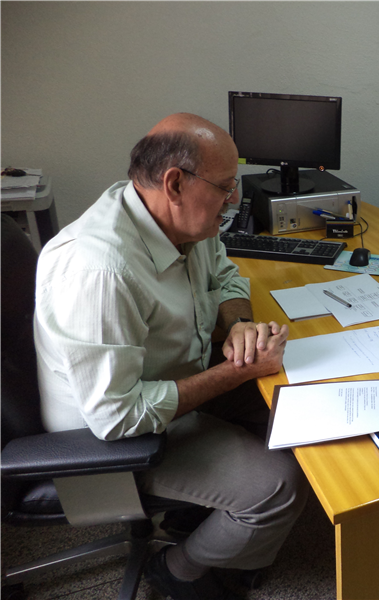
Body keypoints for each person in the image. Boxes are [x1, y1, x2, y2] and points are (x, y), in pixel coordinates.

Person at [34, 113, 309, 599]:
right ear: (175, 182)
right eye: (226, 188)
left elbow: (224, 276)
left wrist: (238, 322)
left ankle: (202, 512)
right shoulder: (102, 271)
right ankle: (177, 567)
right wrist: (235, 372)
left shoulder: (175, 219)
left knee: (299, 405)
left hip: (170, 377)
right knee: (281, 484)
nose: (233, 201)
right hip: (111, 440)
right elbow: (117, 415)